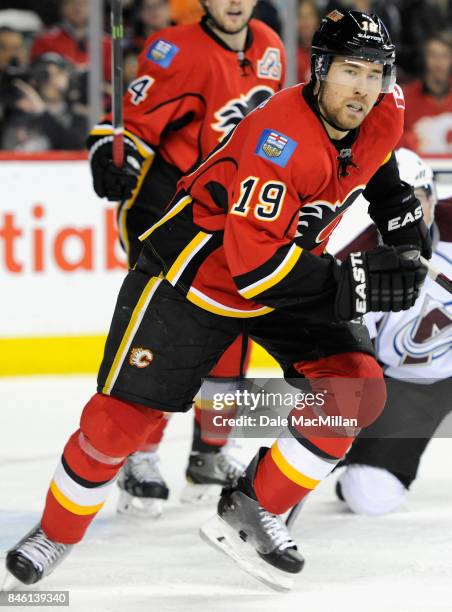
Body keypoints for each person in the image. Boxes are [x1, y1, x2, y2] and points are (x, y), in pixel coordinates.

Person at [5, 9, 431, 591]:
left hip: (288, 266)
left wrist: (406, 238)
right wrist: (355, 280)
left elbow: (378, 169)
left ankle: (253, 510)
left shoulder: (383, 107)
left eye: (375, 73)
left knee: (356, 389)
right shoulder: (278, 143)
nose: (363, 87)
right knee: (114, 425)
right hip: (197, 275)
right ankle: (54, 532)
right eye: (350, 71)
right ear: (321, 70)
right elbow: (255, 271)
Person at [87, 0, 286, 516]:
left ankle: (210, 454)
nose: (234, 2)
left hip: (231, 216)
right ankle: (139, 455)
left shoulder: (270, 43)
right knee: (168, 334)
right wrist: (111, 153)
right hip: (166, 209)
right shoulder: (174, 49)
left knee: (234, 331)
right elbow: (132, 120)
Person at [335, 149, 452, 515]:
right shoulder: (354, 263)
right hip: (407, 385)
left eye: (416, 202)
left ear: (432, 199)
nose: (407, 218)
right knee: (368, 496)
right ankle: (358, 461)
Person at [30, 0, 112, 83]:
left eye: (83, 3)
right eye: (71, 2)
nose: (77, 8)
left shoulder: (107, 44)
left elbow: (111, 82)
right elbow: (37, 79)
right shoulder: (44, 41)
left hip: (98, 94)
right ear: (62, 7)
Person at [400, 32, 452, 155]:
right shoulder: (406, 97)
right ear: (424, 58)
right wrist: (409, 140)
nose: (438, 63)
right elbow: (393, 139)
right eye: (433, 55)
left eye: (444, 56)